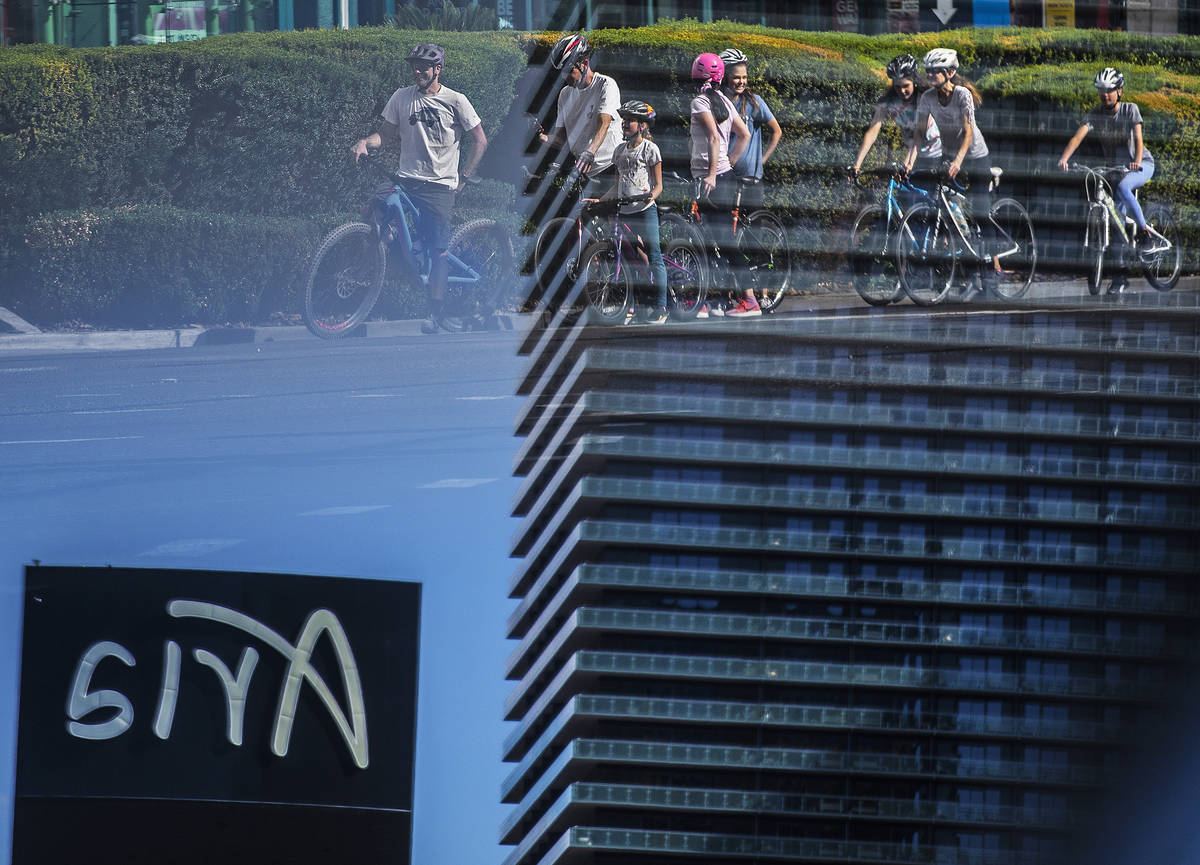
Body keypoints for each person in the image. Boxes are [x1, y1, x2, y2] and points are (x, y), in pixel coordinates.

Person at [351, 43, 488, 334]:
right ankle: (380, 264)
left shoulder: (456, 100)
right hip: (406, 179)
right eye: (414, 66)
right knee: (373, 208)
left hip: (439, 186)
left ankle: (436, 312)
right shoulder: (401, 98)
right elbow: (384, 135)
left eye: (423, 67)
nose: (417, 71)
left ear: (437, 69)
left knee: (437, 250)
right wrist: (365, 142)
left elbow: (479, 140)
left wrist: (464, 177)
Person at [1057, 67, 1159, 294]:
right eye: (1102, 91)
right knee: (1115, 222)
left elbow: (1139, 138)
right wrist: (1064, 159)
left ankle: (1145, 232)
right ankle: (1120, 276)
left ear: (1119, 92)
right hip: (1115, 170)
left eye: (1110, 91)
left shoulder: (1130, 110)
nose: (1105, 95)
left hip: (1142, 165)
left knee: (1124, 187)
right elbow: (1078, 136)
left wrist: (1137, 161)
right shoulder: (1094, 114)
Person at [904, 47, 996, 299]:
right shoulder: (927, 98)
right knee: (948, 214)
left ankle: (990, 267)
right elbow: (919, 134)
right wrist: (909, 162)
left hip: (975, 156)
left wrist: (958, 161)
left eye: (936, 71)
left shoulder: (962, 95)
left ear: (950, 72)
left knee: (981, 211)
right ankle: (966, 271)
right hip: (949, 156)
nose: (931, 75)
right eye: (928, 71)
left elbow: (968, 131)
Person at [688, 52, 753, 317]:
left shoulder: (700, 102)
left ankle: (750, 301)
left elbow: (714, 138)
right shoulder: (725, 101)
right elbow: (744, 135)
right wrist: (729, 164)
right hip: (720, 177)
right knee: (712, 241)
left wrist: (714, 173)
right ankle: (708, 299)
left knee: (720, 242)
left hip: (711, 180)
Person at [851, 52, 942, 201]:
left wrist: (907, 163)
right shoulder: (889, 101)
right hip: (912, 155)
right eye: (897, 87)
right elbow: (873, 131)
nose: (902, 91)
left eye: (906, 86)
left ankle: (959, 218)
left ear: (914, 81)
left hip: (935, 154)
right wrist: (857, 163)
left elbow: (919, 134)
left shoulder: (924, 98)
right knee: (905, 202)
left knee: (929, 204)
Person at [541, 32, 623, 178]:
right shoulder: (565, 94)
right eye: (561, 72)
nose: (564, 77)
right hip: (583, 174)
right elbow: (562, 139)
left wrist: (590, 152)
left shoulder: (605, 85)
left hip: (611, 168)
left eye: (568, 71)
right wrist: (540, 136)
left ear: (584, 64)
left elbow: (603, 124)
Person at [719, 48, 783, 212]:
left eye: (745, 77)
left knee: (753, 227)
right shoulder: (718, 103)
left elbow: (777, 131)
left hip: (751, 177)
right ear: (726, 77)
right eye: (736, 77)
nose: (741, 81)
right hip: (726, 175)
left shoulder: (755, 102)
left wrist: (763, 160)